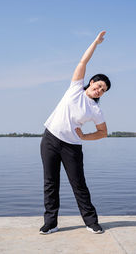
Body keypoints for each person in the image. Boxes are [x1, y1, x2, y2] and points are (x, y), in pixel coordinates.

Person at [40, 31, 111, 235]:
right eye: (98, 85)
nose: (99, 90)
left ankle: (91, 222)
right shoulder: (75, 89)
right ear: (91, 82)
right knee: (50, 182)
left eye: (103, 90)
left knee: (79, 184)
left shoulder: (96, 110)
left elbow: (103, 132)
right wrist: (95, 43)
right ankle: (50, 223)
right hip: (50, 140)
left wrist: (85, 137)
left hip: (72, 146)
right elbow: (83, 61)